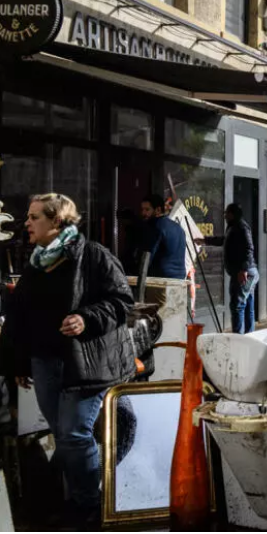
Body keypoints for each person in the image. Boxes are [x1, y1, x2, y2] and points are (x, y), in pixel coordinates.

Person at [0, 193, 135, 526]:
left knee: (73, 434)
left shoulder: (94, 256)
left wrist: (86, 319)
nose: (26, 223)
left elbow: (122, 302)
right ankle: (75, 496)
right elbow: (20, 315)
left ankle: (90, 505)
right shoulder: (38, 261)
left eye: (33, 217)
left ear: (56, 222)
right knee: (65, 436)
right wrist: (18, 362)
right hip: (45, 362)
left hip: (86, 363)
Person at [224, 203, 259, 334]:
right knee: (248, 304)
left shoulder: (241, 227)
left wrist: (243, 269)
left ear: (232, 214)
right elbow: (225, 241)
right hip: (246, 271)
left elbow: (249, 248)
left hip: (244, 272)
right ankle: (250, 337)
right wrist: (205, 240)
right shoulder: (233, 227)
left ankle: (238, 339)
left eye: (226, 213)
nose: (225, 216)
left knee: (238, 306)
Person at [139, 194, 187, 280]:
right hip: (180, 277)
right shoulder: (178, 227)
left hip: (160, 279)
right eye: (142, 209)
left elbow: (148, 256)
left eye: (147, 210)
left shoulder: (155, 227)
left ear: (158, 210)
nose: (143, 213)